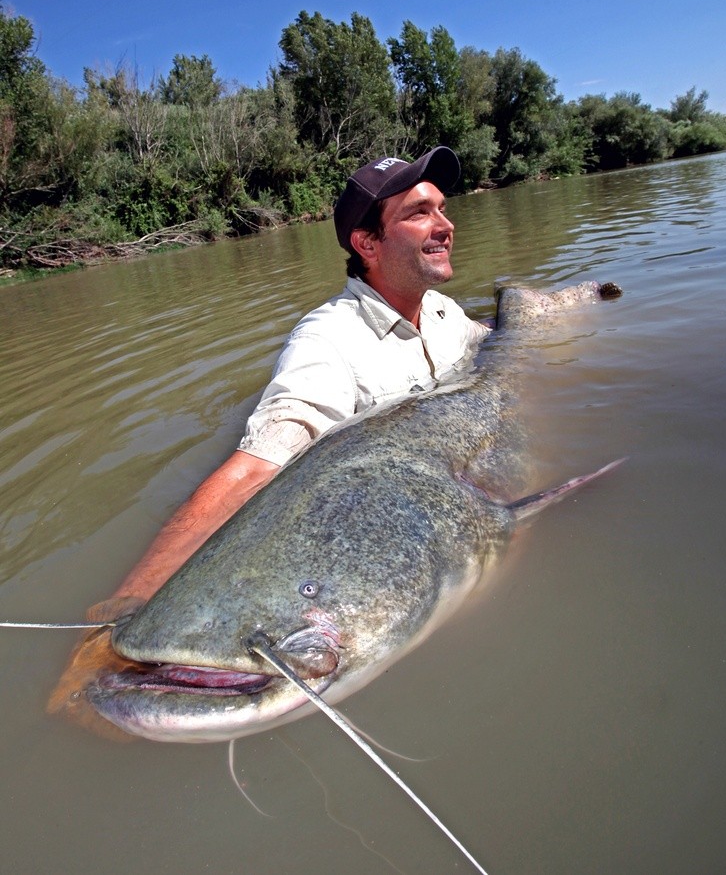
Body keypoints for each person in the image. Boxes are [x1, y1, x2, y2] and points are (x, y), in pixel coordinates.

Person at [48, 147, 490, 728]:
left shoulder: (441, 311)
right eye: (419, 213)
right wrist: (123, 617)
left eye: (442, 208)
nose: (445, 224)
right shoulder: (327, 343)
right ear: (368, 244)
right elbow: (257, 466)